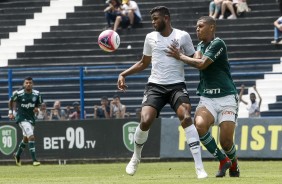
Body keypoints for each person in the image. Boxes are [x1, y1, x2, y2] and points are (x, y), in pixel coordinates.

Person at [117, 6, 207, 179]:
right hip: (155, 86)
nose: (153, 22)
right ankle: (136, 157)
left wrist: (193, 53)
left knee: (187, 117)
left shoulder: (182, 36)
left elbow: (194, 59)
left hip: (177, 86)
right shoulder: (150, 37)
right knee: (145, 120)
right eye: (152, 19)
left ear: (166, 18)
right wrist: (123, 74)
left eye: (156, 18)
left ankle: (199, 167)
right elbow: (144, 63)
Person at [166, 16, 240, 177]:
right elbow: (196, 59)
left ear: (212, 27)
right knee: (199, 126)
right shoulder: (200, 45)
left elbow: (202, 64)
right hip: (208, 98)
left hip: (227, 97)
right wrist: (183, 54)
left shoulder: (218, 44)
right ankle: (223, 160)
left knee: (226, 142)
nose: (197, 29)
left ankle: (234, 162)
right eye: (196, 26)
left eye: (200, 26)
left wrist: (180, 56)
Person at [8, 76, 42, 166]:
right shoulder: (19, 94)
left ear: (32, 84)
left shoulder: (37, 94)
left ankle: (17, 155)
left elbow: (39, 104)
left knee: (26, 139)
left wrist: (37, 109)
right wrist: (10, 112)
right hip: (22, 118)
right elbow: (11, 101)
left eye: (30, 83)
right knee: (31, 136)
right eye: (26, 83)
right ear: (24, 84)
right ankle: (34, 160)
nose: (28, 84)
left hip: (31, 118)